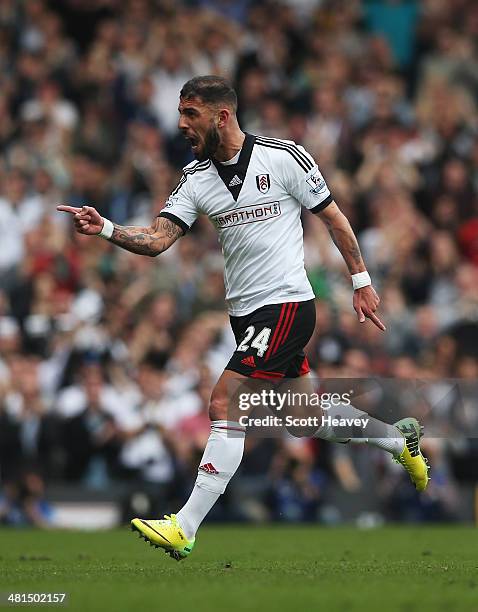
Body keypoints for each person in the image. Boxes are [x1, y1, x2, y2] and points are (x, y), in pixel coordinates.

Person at [58, 75, 429, 561]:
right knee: (305, 416)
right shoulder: (195, 179)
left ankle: (184, 526)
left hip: (288, 304)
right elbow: (157, 240)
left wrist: (361, 282)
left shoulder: (284, 157)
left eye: (191, 114)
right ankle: (398, 439)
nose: (182, 124)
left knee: (224, 403)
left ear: (222, 116)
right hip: (245, 315)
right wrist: (105, 227)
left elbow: (334, 218)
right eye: (180, 113)